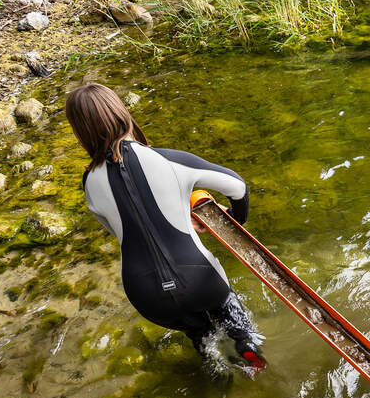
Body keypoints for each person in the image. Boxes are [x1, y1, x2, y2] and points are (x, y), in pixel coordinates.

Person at [64, 83, 266, 373]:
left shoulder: (89, 185)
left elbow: (123, 232)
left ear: (80, 131)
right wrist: (234, 221)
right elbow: (238, 187)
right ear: (121, 113)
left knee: (198, 333)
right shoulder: (166, 159)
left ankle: (214, 368)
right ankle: (246, 346)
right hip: (200, 279)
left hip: (146, 295)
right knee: (231, 313)